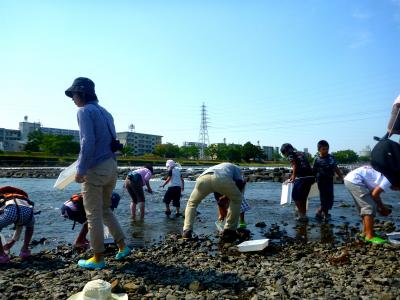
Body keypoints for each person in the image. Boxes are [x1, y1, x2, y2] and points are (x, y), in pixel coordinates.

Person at [65, 77, 130, 270]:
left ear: (82, 94)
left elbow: (87, 141)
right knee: (105, 209)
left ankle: (98, 258)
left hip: (95, 168)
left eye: (74, 94)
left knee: (93, 214)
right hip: (111, 166)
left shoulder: (84, 111)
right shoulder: (106, 113)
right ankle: (122, 247)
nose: (72, 99)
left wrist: (80, 170)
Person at [182, 162, 245, 242]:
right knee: (236, 200)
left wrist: (223, 198)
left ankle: (187, 231)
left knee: (192, 203)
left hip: (203, 178)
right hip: (222, 178)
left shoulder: (219, 166)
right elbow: (240, 183)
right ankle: (229, 230)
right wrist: (227, 197)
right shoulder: (237, 168)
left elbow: (216, 191)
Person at [344, 166, 399, 244]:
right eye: (398, 188)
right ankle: (369, 236)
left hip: (350, 178)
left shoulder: (388, 174)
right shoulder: (389, 179)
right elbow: (374, 194)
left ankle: (365, 233)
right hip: (355, 180)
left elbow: (374, 194)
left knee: (365, 207)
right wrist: (382, 208)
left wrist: (380, 207)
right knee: (368, 207)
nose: (396, 190)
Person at [280, 143, 315, 222]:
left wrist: (293, 177)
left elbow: (294, 165)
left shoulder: (290, 155)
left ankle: (302, 215)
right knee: (303, 197)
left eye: (284, 154)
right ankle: (304, 215)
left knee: (296, 197)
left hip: (302, 178)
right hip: (310, 177)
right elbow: (306, 164)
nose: (285, 156)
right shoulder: (301, 153)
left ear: (285, 152)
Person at [0, 186, 35, 263]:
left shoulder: (3, 195)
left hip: (11, 209)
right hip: (27, 210)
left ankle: (2, 256)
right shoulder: (23, 196)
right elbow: (20, 223)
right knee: (29, 227)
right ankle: (24, 251)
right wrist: (12, 242)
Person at [312, 140, 343, 222]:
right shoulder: (316, 159)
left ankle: (319, 211)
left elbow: (335, 168)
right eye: (323, 149)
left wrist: (340, 176)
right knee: (324, 198)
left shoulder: (331, 157)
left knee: (330, 198)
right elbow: (314, 171)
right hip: (321, 181)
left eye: (327, 149)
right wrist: (311, 180)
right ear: (319, 150)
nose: (325, 151)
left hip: (329, 180)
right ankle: (325, 215)